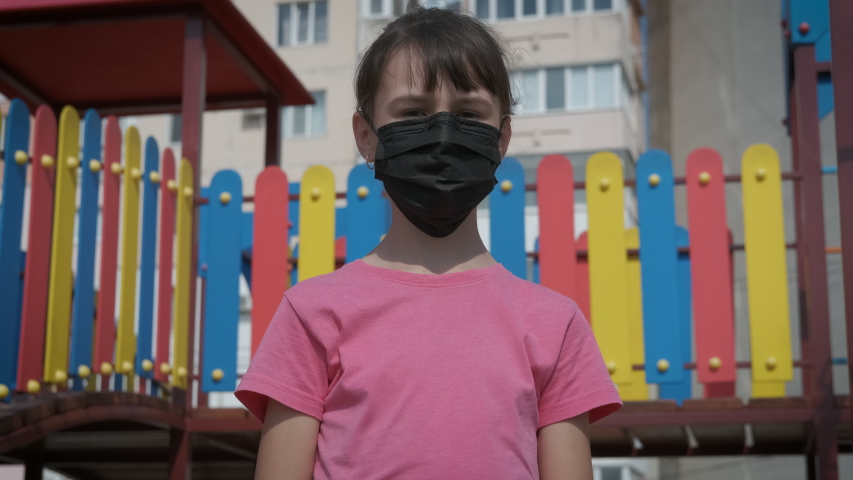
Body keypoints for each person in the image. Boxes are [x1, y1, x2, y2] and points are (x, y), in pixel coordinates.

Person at [236, 5, 621, 479]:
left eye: (469, 114)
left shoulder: (556, 326)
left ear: (501, 138)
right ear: (366, 136)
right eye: (413, 113)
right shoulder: (311, 315)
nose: (441, 135)